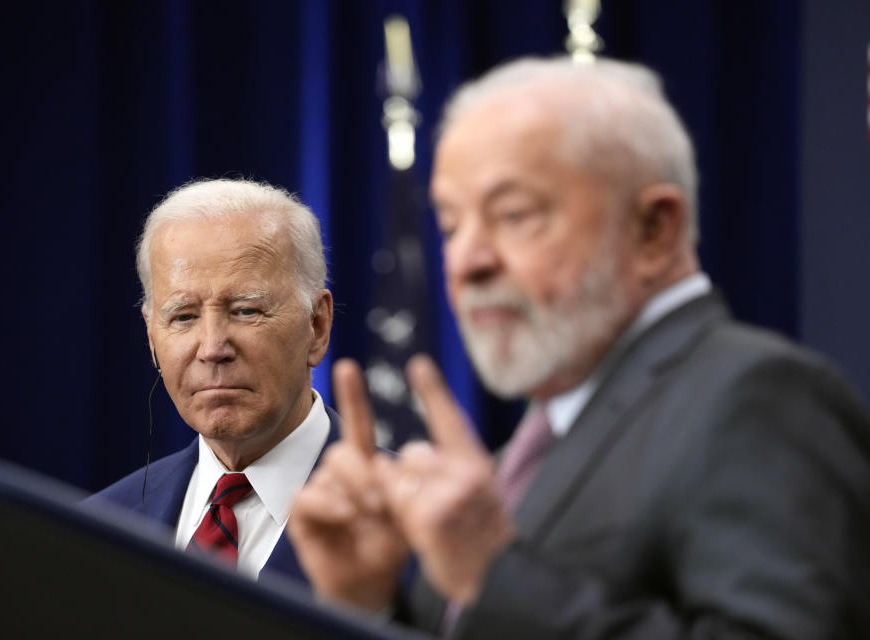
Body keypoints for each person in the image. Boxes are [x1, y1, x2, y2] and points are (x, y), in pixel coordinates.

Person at [287, 56, 870, 638]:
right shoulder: (528, 447)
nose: (468, 261)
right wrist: (367, 606)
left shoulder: (760, 400)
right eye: (452, 226)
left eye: (513, 214)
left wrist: (494, 575)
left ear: (653, 230)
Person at [87, 178, 336, 584]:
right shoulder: (96, 533)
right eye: (183, 317)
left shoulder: (421, 525)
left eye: (246, 310)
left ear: (317, 326)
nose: (212, 347)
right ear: (152, 339)